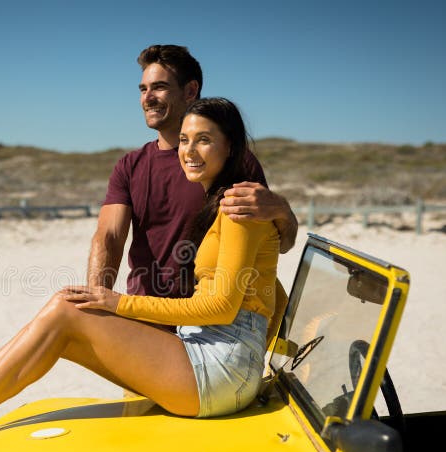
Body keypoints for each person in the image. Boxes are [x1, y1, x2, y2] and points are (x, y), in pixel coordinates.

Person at [0, 97, 280, 452]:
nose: (189, 150)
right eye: (185, 140)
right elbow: (110, 233)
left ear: (231, 146)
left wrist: (115, 303)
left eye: (204, 140)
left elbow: (221, 307)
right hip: (214, 360)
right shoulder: (221, 200)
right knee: (66, 312)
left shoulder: (239, 205)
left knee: (68, 309)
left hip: (220, 373)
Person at [89, 45, 296, 322]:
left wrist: (282, 210)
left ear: (190, 91)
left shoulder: (235, 163)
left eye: (159, 87)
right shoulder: (130, 166)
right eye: (143, 89)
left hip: (205, 325)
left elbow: (279, 243)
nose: (148, 98)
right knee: (69, 314)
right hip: (142, 315)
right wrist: (96, 299)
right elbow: (109, 237)